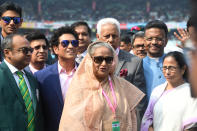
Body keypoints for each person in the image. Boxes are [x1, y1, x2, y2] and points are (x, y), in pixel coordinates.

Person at [59, 41, 145, 131]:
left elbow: (132, 119)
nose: (104, 63)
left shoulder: (122, 85)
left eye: (108, 59)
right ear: (90, 60)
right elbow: (71, 123)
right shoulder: (80, 86)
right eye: (99, 59)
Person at [96, 18, 146, 130]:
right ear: (98, 37)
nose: (111, 39)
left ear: (119, 37)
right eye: (107, 36)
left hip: (125, 124)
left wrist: (134, 127)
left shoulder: (134, 62)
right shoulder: (89, 61)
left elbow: (139, 102)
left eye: (114, 36)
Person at [34, 26, 79, 131]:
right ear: (55, 49)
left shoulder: (88, 74)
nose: (71, 46)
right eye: (65, 43)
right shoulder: (41, 77)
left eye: (74, 43)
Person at [141, 51, 197, 131]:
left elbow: (192, 126)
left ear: (183, 69)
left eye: (171, 68)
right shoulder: (157, 91)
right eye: (164, 68)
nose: (167, 72)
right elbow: (147, 119)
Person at [0, 34, 43, 130]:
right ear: (7, 53)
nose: (29, 54)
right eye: (24, 50)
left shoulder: (32, 78)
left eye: (30, 50)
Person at [143, 20, 168, 100]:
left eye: (159, 39)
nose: (154, 42)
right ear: (144, 41)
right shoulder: (137, 64)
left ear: (166, 41)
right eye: (150, 39)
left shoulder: (176, 62)